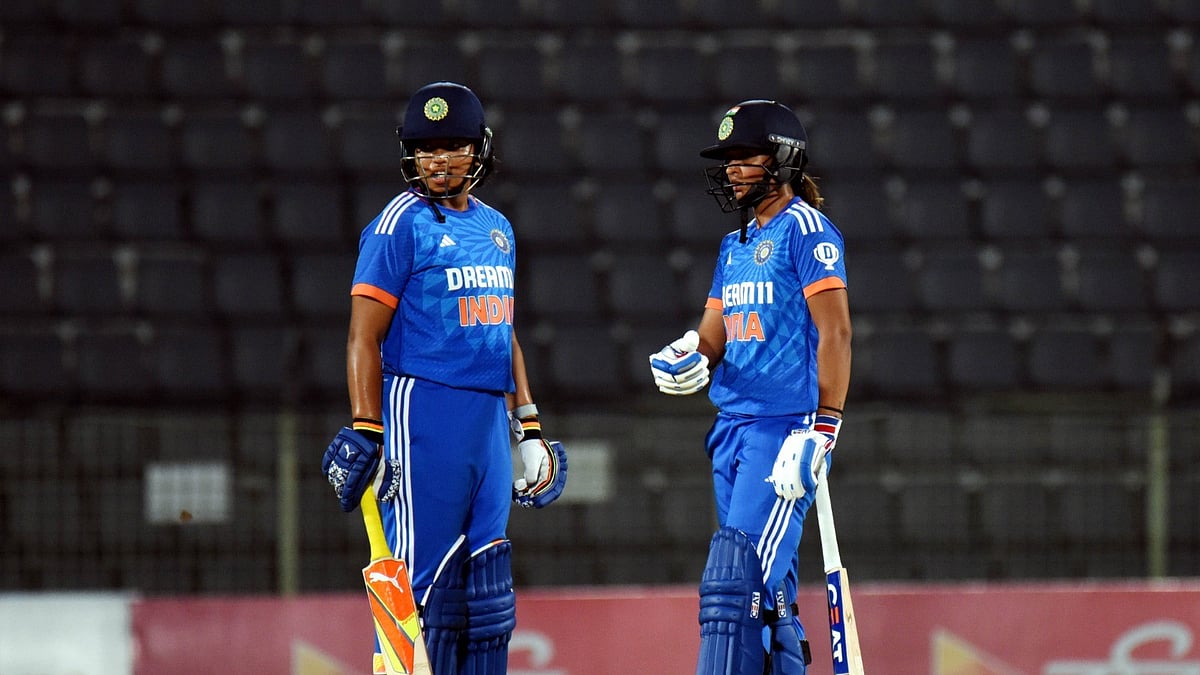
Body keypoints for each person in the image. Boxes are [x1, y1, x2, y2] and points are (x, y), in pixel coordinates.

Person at [321, 81, 567, 675]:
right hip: (421, 411)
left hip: (485, 423)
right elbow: (363, 334)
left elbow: (502, 328)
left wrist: (527, 424)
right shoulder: (397, 224)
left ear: (478, 150)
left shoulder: (498, 230)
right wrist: (366, 424)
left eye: (452, 146)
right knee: (416, 594)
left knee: (484, 595)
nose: (437, 159)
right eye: (426, 147)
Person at [649, 100, 852, 674]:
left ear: (782, 159)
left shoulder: (807, 230)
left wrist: (824, 427)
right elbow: (713, 334)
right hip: (731, 428)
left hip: (784, 431)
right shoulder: (733, 245)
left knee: (737, 585)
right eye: (728, 159)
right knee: (768, 595)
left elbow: (836, 331)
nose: (733, 169)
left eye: (746, 157)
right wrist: (687, 354)